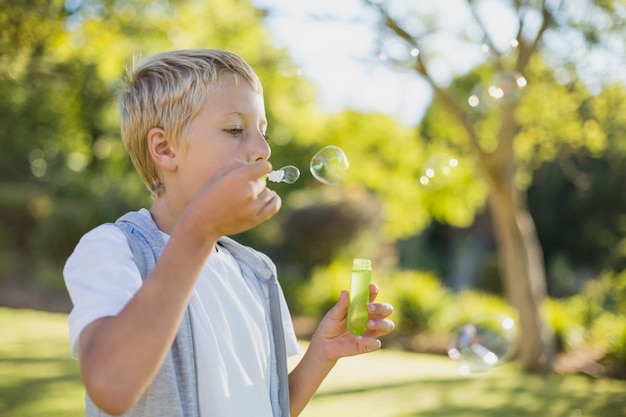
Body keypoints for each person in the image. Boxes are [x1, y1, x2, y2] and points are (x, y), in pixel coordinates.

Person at [63, 48, 395, 417]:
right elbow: (111, 386)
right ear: (164, 148)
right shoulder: (114, 250)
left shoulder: (255, 272)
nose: (262, 150)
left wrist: (322, 352)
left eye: (262, 132)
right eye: (236, 130)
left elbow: (267, 406)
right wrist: (200, 229)